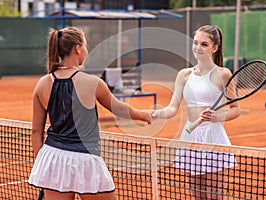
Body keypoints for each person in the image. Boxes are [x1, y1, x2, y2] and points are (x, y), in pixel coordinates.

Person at [28, 27, 152, 200]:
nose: (87, 50)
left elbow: (36, 132)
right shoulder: (93, 82)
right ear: (78, 48)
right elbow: (119, 109)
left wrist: (43, 168)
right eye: (86, 46)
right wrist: (143, 115)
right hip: (85, 159)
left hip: (52, 158)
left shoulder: (42, 84)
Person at [152, 25, 240, 199]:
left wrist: (217, 117)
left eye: (204, 44)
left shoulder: (223, 74)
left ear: (214, 48)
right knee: (197, 196)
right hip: (189, 138)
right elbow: (171, 109)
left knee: (214, 196)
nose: (198, 48)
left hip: (214, 140)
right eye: (195, 43)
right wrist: (153, 113)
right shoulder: (184, 75)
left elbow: (236, 110)